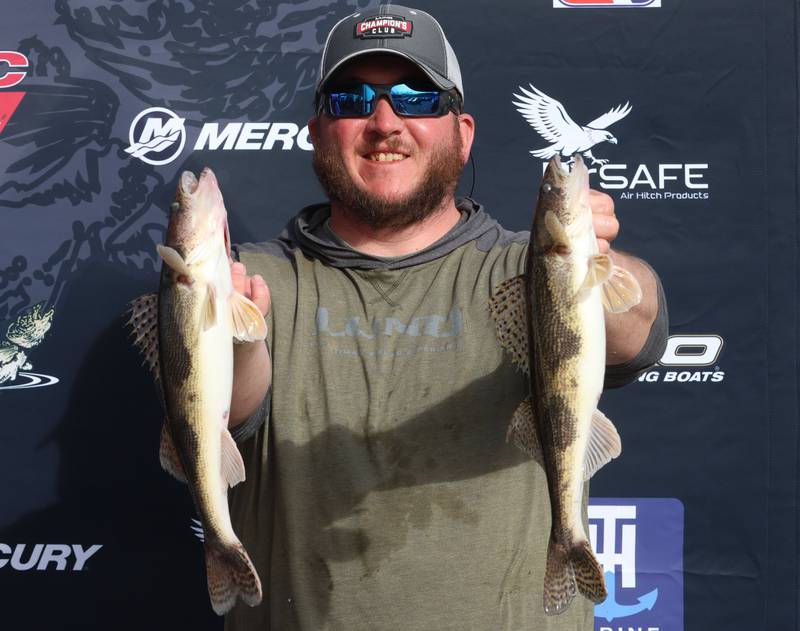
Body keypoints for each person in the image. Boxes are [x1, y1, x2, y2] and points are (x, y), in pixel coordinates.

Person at [225, 5, 667, 630]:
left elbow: (636, 331)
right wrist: (230, 332)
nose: (385, 122)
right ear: (318, 131)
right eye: (352, 100)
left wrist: (598, 263)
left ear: (462, 132)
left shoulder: (527, 266)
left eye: (416, 98)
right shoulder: (250, 281)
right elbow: (220, 411)